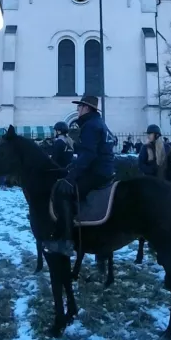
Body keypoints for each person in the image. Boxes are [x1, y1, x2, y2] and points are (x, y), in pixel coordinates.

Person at [51, 95, 115, 256]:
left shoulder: (91, 126)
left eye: (79, 107)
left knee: (62, 191)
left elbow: (89, 155)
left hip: (97, 172)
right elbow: (93, 149)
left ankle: (65, 240)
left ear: (86, 108)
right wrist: (77, 147)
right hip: (105, 170)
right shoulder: (98, 123)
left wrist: (71, 177)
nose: (77, 110)